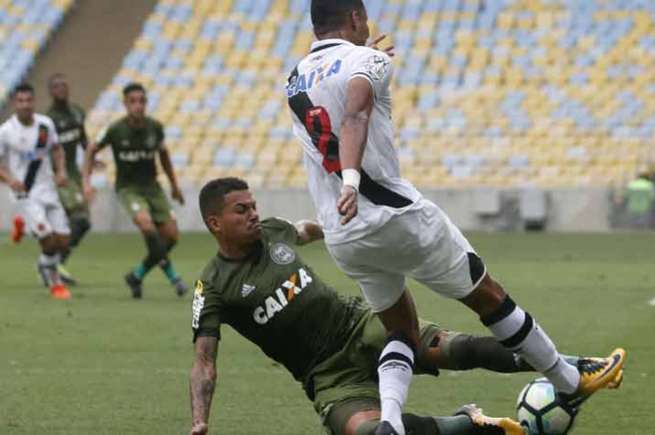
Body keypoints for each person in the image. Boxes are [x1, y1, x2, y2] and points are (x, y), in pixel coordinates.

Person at [286, 2, 625, 433]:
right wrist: (352, 178)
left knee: (401, 331)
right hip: (396, 217)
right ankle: (568, 379)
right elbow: (354, 113)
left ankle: (390, 424)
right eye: (365, 16)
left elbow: (337, 101)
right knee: (488, 296)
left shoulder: (294, 78)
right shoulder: (365, 60)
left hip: (344, 234)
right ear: (355, 17)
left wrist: (361, 62)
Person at [189, 178, 623, 435]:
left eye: (253, 206)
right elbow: (204, 363)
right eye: (241, 210)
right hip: (326, 376)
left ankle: (576, 366)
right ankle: (468, 424)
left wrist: (343, 227)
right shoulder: (213, 287)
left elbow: (306, 229)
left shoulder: (272, 232)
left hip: (359, 325)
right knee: (369, 431)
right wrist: (199, 422)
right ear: (215, 223)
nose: (252, 214)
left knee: (455, 348)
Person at [82, 82, 187, 298]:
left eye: (142, 101)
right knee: (147, 226)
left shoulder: (155, 128)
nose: (138, 105)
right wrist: (86, 181)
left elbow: (164, 156)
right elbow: (92, 148)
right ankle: (173, 277)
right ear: (125, 104)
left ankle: (137, 275)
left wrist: (175, 186)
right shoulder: (115, 129)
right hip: (128, 188)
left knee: (171, 237)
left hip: (153, 187)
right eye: (133, 101)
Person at [0, 83, 71, 299]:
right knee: (48, 240)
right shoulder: (6, 131)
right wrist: (10, 180)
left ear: (34, 101)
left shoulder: (45, 125)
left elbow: (57, 149)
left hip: (48, 188)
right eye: (20, 101)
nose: (25, 105)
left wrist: (61, 172)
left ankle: (42, 261)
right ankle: (55, 283)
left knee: (63, 242)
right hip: (25, 193)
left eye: (28, 100)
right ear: (15, 104)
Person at [46, 73, 91, 284]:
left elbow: (83, 139)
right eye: (56, 86)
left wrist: (92, 160)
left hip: (73, 173)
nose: (61, 89)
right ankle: (56, 264)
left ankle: (51, 265)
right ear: (50, 92)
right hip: (57, 176)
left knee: (73, 224)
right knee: (80, 220)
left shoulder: (77, 113)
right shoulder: (48, 120)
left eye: (63, 85)